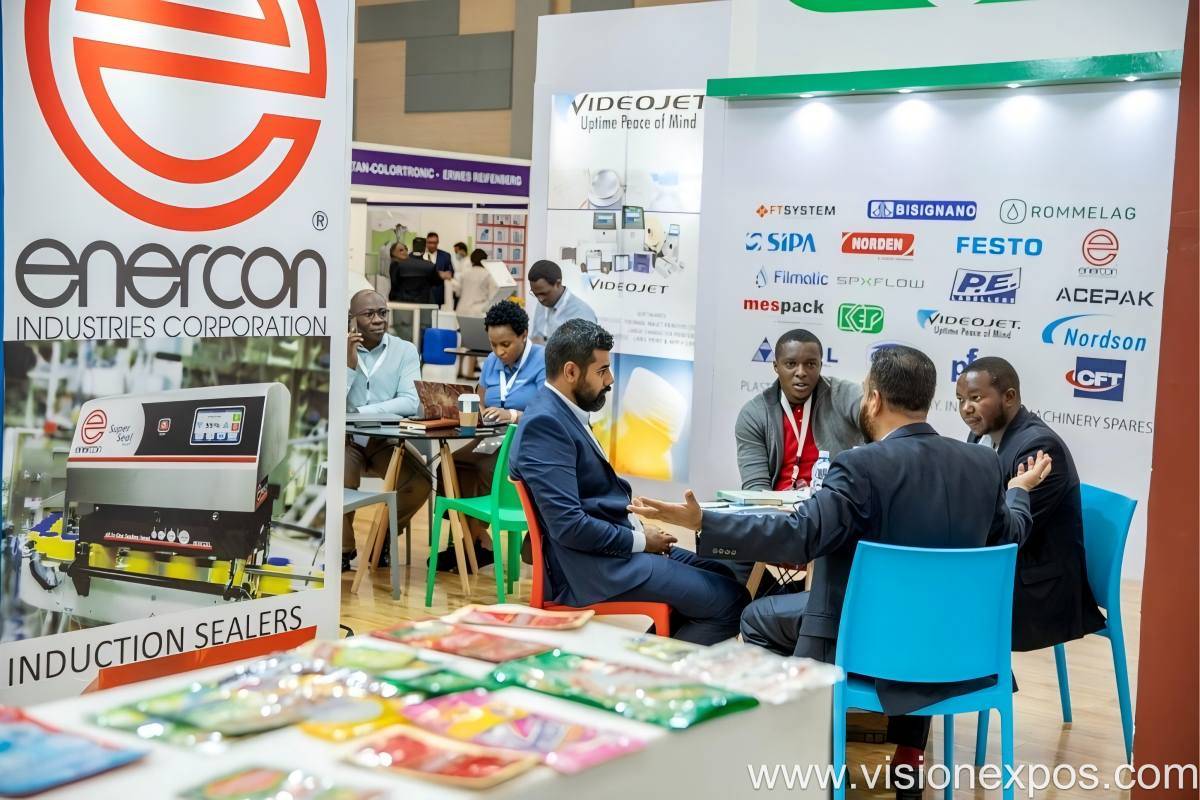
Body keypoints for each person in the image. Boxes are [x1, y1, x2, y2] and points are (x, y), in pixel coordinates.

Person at [631, 345, 1050, 792]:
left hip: (866, 648)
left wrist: (704, 522)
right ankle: (905, 751)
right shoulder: (983, 465)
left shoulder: (859, 466)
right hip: (956, 649)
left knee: (756, 617)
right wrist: (1019, 491)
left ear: (874, 399)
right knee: (921, 608)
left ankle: (809, 750)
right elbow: (1011, 534)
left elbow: (800, 535)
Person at [510, 318, 749, 644]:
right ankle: (652, 668)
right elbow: (569, 526)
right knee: (732, 602)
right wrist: (640, 540)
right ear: (571, 372)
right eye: (602, 371)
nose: (610, 379)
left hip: (611, 552)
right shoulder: (546, 426)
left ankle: (651, 656)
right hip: (592, 569)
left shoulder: (560, 412)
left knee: (724, 575)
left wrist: (639, 530)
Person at [956, 356, 1106, 652]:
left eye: (976, 398)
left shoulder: (1039, 448)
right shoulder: (979, 435)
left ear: (1009, 397)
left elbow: (1006, 535)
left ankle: (976, 678)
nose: (966, 408)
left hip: (1038, 591)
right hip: (1005, 571)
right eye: (960, 399)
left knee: (938, 603)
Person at [436, 300, 547, 571]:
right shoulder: (491, 363)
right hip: (490, 437)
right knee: (450, 467)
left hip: (526, 439)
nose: (499, 352)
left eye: (505, 344)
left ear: (524, 335)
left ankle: (469, 545)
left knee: (485, 468)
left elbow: (548, 412)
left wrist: (513, 415)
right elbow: (482, 400)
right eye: (493, 345)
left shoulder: (543, 360)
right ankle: (477, 541)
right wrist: (479, 412)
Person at [344, 289, 431, 572]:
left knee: (420, 483)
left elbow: (410, 401)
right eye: (369, 314)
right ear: (352, 318)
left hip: (385, 438)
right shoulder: (337, 348)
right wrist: (349, 366)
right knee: (339, 482)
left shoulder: (405, 350)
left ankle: (382, 538)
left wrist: (361, 413)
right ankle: (343, 549)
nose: (378, 319)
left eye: (382, 313)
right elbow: (330, 402)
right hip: (346, 440)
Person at [737, 328, 862, 491]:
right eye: (791, 364)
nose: (801, 372)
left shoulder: (843, 395)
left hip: (835, 501)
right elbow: (756, 487)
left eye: (810, 364)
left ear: (820, 365)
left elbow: (880, 422)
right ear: (776, 366)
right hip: (778, 505)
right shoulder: (754, 414)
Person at [527, 259, 597, 343]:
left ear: (558, 284)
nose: (540, 299)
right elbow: (536, 337)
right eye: (535, 294)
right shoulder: (543, 302)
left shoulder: (582, 313)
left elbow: (586, 349)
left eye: (544, 293)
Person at [452, 248, 499, 317]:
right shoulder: (487, 275)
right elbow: (493, 296)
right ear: (485, 260)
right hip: (478, 311)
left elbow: (458, 292)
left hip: (461, 310)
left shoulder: (464, 273)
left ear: (471, 260)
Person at [421, 231, 455, 308]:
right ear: (426, 242)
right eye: (430, 242)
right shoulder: (420, 255)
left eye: (434, 243)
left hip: (438, 293)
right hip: (422, 292)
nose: (432, 245)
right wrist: (439, 274)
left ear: (438, 242)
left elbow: (451, 273)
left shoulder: (445, 256)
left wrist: (447, 274)